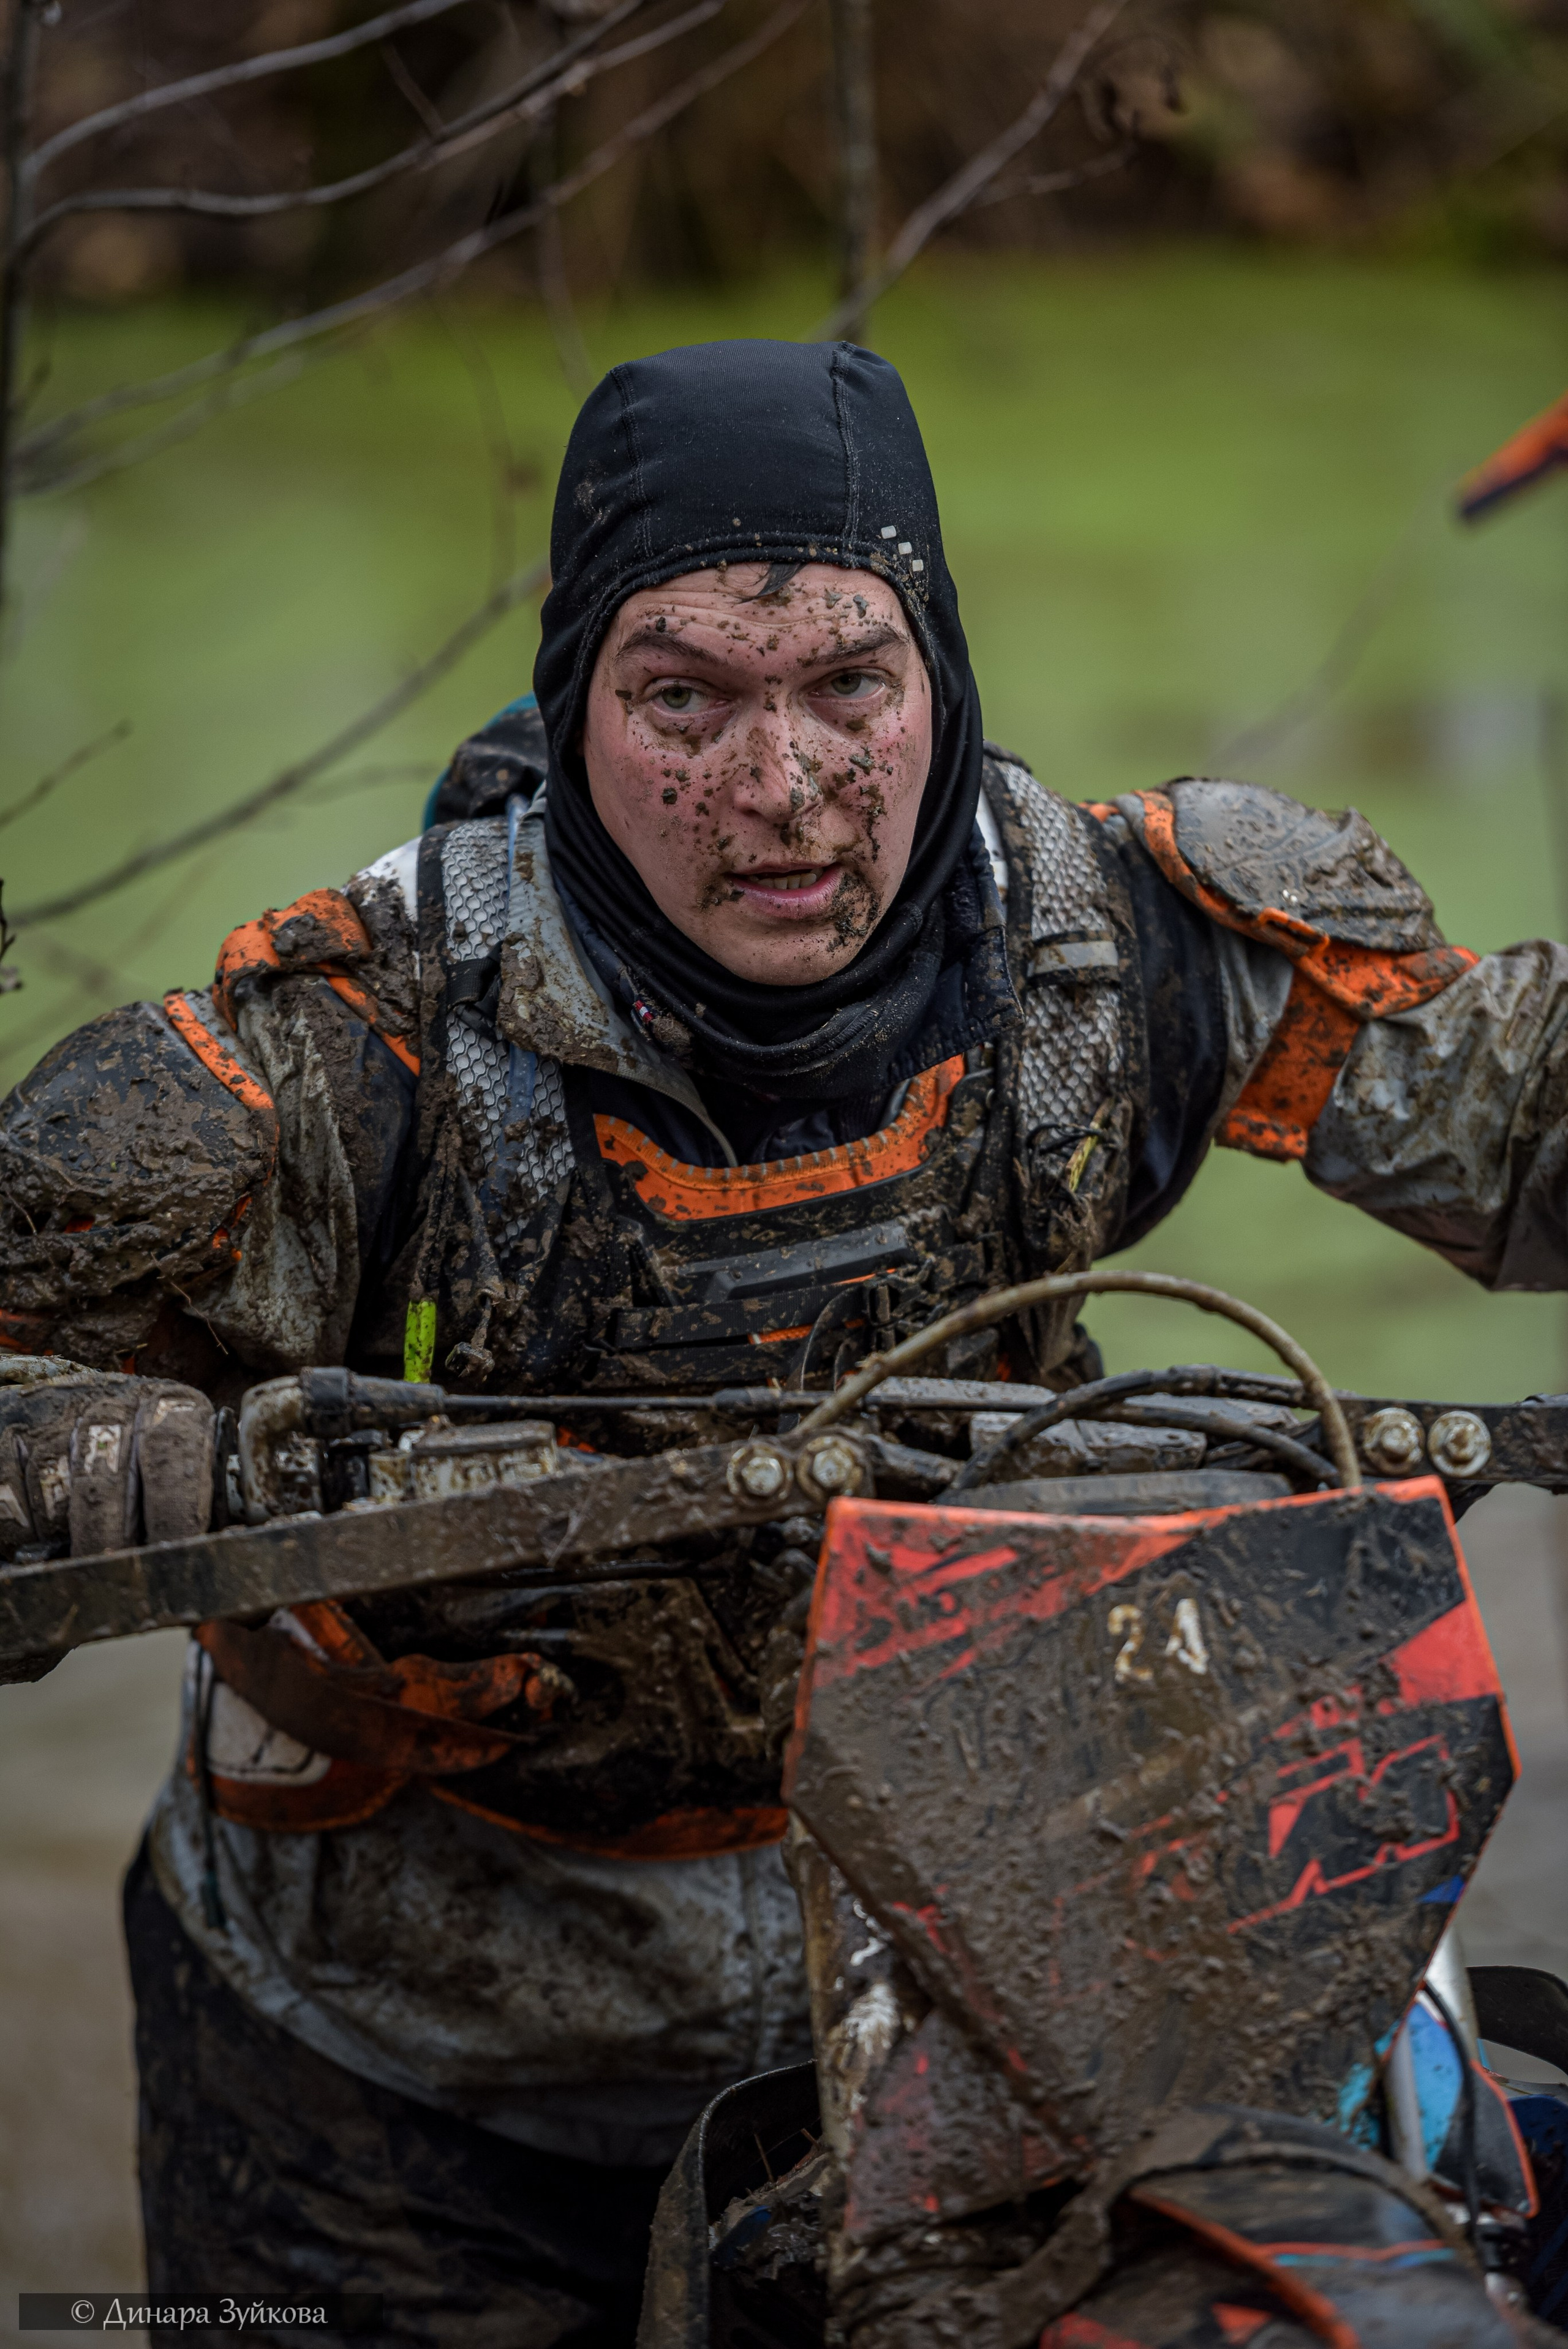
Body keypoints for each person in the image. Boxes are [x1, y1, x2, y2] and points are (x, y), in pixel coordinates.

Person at [2, 337, 1566, 2347]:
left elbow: (1515, 1116)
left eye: (851, 685)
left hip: (954, 2002)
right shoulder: (341, 1052)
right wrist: (86, 1448)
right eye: (685, 701)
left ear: (941, 679)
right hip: (390, 2068)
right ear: (578, 709)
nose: (783, 791)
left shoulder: (1115, 945)